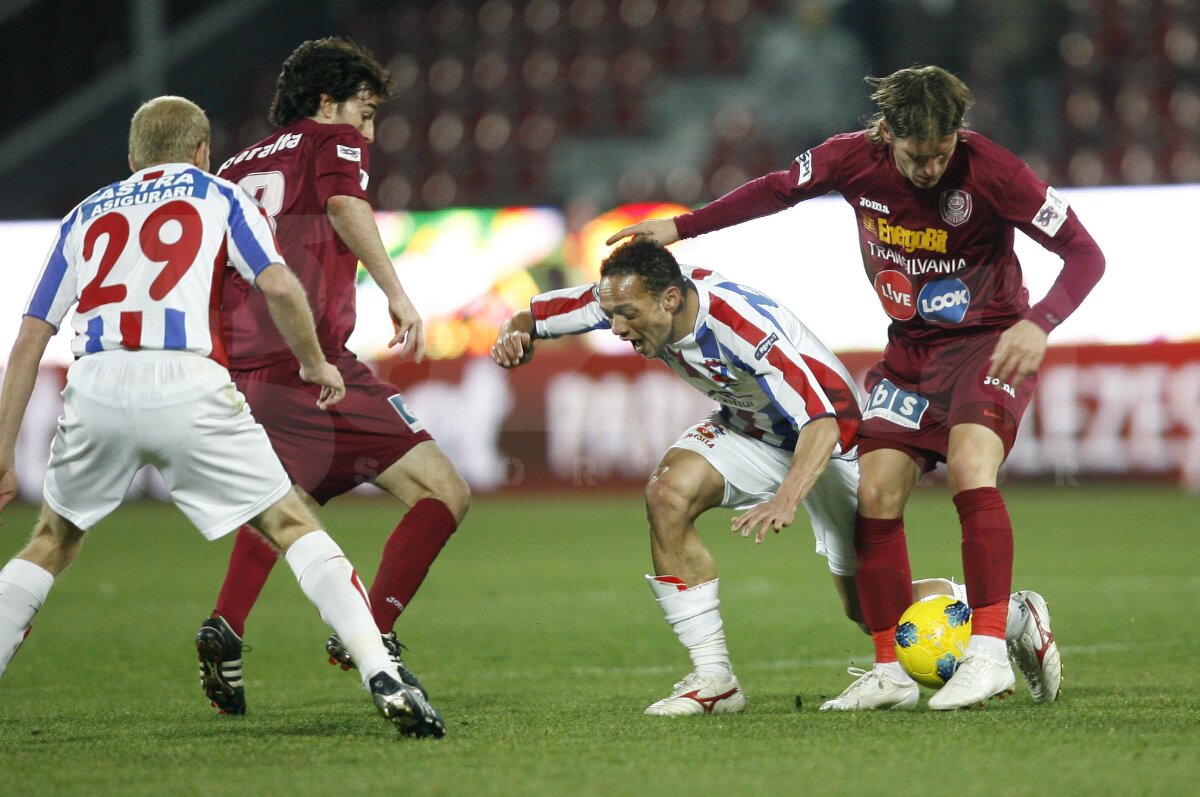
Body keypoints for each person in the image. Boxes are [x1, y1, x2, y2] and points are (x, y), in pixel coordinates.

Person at [607, 65, 1100, 710]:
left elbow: (1085, 253)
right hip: (911, 351)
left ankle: (985, 655)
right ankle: (895, 668)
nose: (929, 170)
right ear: (888, 132)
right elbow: (777, 190)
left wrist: (1040, 324)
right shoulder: (851, 159)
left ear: (958, 135)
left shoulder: (995, 171)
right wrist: (683, 226)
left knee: (970, 467)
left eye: (942, 154)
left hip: (992, 341)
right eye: (916, 156)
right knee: (875, 493)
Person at [0, 96, 443, 738]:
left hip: (96, 382)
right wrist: (317, 364)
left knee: (50, 542)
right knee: (290, 521)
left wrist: (3, 452)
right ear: (203, 152)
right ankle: (382, 674)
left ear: (132, 159)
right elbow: (282, 286)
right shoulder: (221, 196)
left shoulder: (83, 214)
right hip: (188, 377)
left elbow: (30, 339)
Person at [491, 237, 1049, 715]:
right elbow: (537, 314)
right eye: (610, 314)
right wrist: (515, 335)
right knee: (667, 495)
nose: (616, 327)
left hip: (831, 444)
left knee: (870, 610)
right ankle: (715, 681)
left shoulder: (742, 327)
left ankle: (1013, 616)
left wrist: (786, 498)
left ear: (669, 298)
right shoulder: (626, 295)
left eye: (627, 317)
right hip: (749, 432)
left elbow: (824, 420)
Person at [195, 37, 470, 714]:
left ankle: (225, 624)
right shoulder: (329, 138)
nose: (367, 131)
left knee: (293, 500)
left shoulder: (234, 165)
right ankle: (370, 629)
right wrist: (398, 292)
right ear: (325, 103)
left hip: (247, 361)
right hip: (309, 354)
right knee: (444, 488)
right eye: (365, 112)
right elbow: (347, 207)